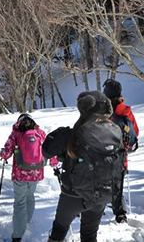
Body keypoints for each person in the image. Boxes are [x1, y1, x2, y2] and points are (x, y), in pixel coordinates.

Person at [42, 91, 126, 242]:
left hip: (74, 196)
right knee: (89, 236)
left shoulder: (72, 134)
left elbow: (46, 151)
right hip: (102, 195)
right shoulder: (115, 132)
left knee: (58, 233)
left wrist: (58, 134)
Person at [0, 114, 58, 242]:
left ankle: (17, 235)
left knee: (20, 202)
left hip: (20, 173)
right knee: (30, 197)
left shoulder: (16, 132)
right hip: (36, 172)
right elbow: (49, 149)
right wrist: (54, 162)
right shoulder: (39, 132)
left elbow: (7, 152)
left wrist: (3, 154)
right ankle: (26, 222)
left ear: (18, 121)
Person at [103, 78, 140, 224]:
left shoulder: (102, 111)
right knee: (117, 185)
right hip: (121, 157)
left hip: (102, 156)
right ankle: (120, 213)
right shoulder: (125, 111)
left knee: (98, 183)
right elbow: (135, 132)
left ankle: (97, 210)